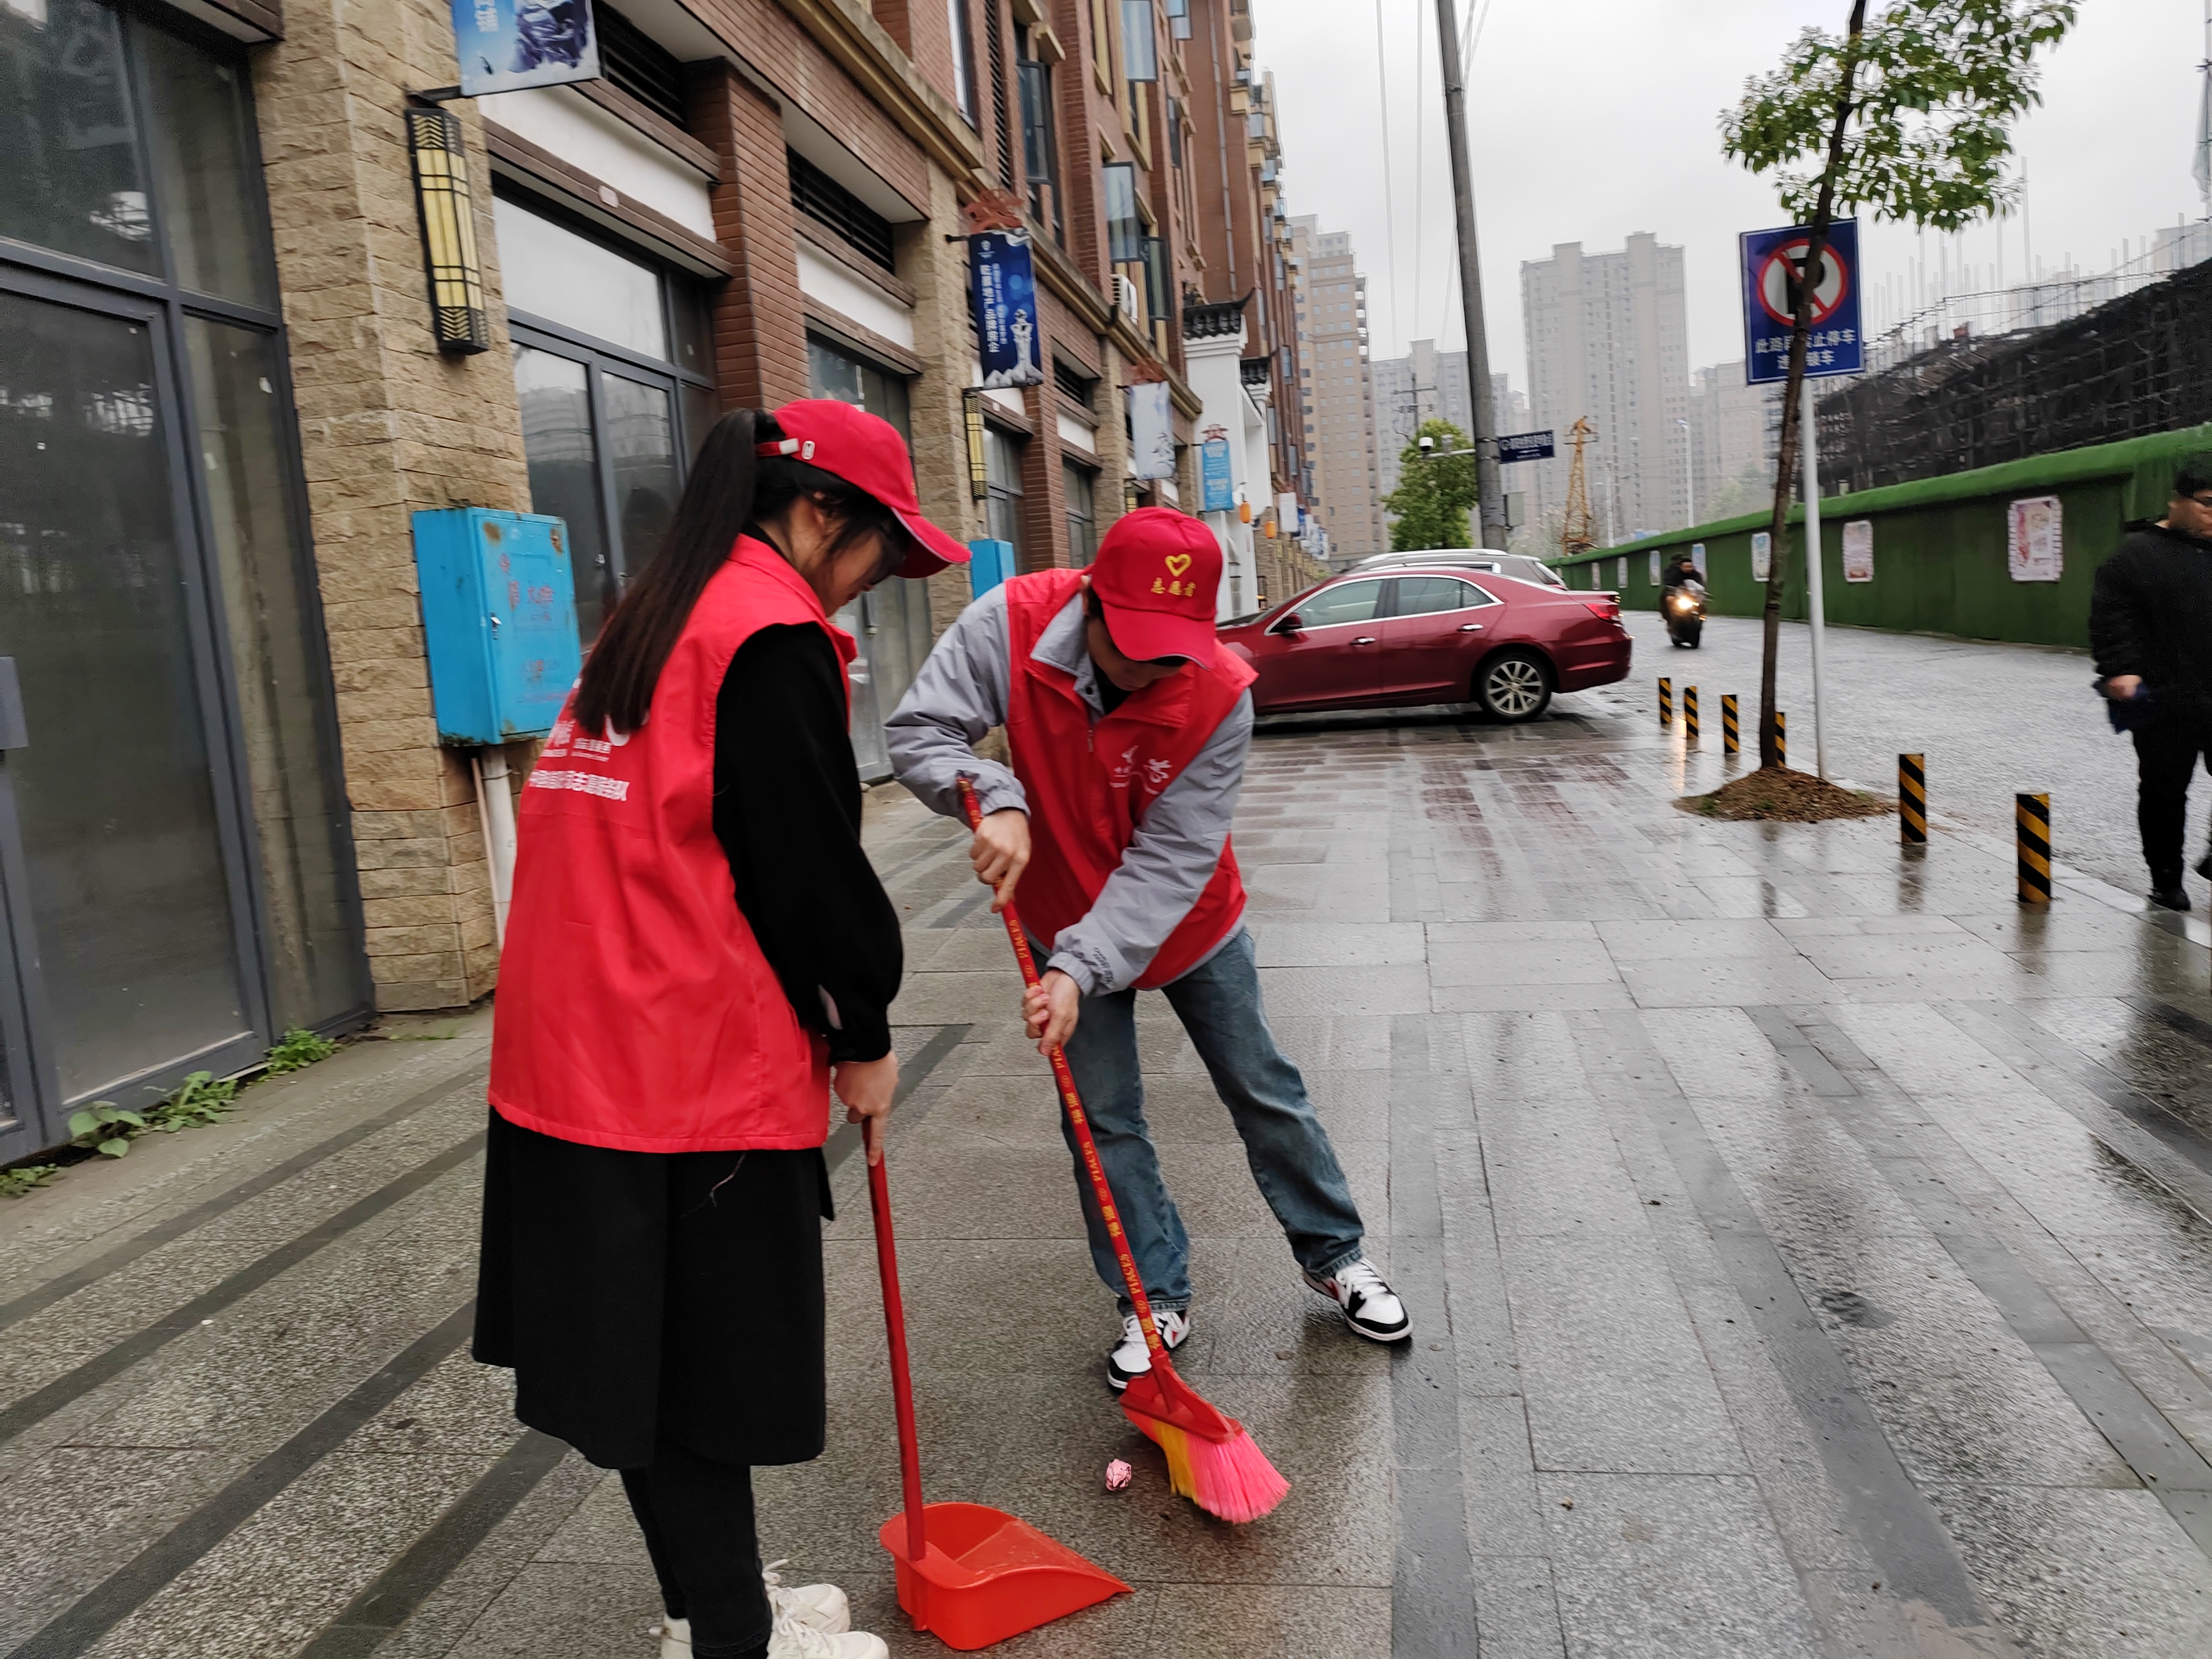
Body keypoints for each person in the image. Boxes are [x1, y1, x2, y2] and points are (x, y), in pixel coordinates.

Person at [474, 400, 970, 1659]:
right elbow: (807, 871)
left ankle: (717, 1611)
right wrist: (863, 1028)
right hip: (679, 1074)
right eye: (877, 557)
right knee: (697, 1389)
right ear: (817, 514)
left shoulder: (650, 620)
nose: (867, 590)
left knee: (645, 1378)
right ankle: (738, 1638)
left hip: (571, 1062)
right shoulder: (763, 635)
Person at [886, 508, 1409, 1393]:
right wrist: (993, 790)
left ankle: (1336, 1254)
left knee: (1263, 1088)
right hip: (1059, 910)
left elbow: (1169, 861)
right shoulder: (1007, 625)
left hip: (1188, 922)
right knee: (1101, 1117)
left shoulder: (1220, 691)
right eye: (1130, 644)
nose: (1149, 669)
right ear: (1089, 599)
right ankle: (1149, 1292)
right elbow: (920, 733)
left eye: (1173, 649)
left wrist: (1077, 969)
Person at [2090, 455, 2212, 911]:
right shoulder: (2137, 555)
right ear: (2178, 502)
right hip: (2166, 697)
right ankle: (2166, 879)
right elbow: (2112, 618)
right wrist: (2121, 668)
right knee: (2164, 790)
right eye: (2207, 504)